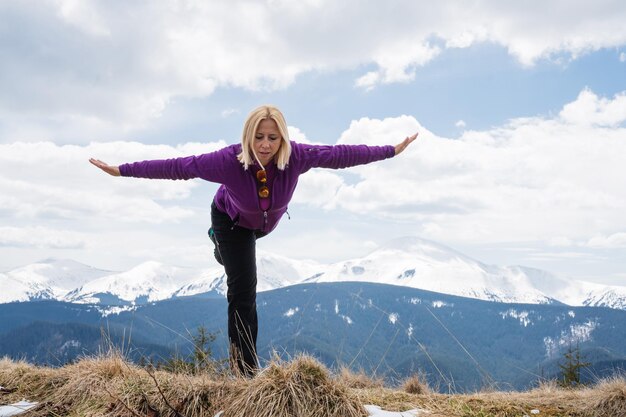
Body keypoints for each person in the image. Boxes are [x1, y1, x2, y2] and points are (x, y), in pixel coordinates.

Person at [89, 105, 418, 376]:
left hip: (262, 224)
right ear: (248, 136)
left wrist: (390, 151)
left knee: (243, 264)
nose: (265, 144)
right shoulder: (227, 161)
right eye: (258, 136)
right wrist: (122, 170)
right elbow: (178, 166)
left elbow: (340, 155)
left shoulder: (297, 157)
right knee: (244, 289)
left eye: (273, 137)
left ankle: (223, 250)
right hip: (230, 222)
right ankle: (245, 372)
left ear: (283, 138)